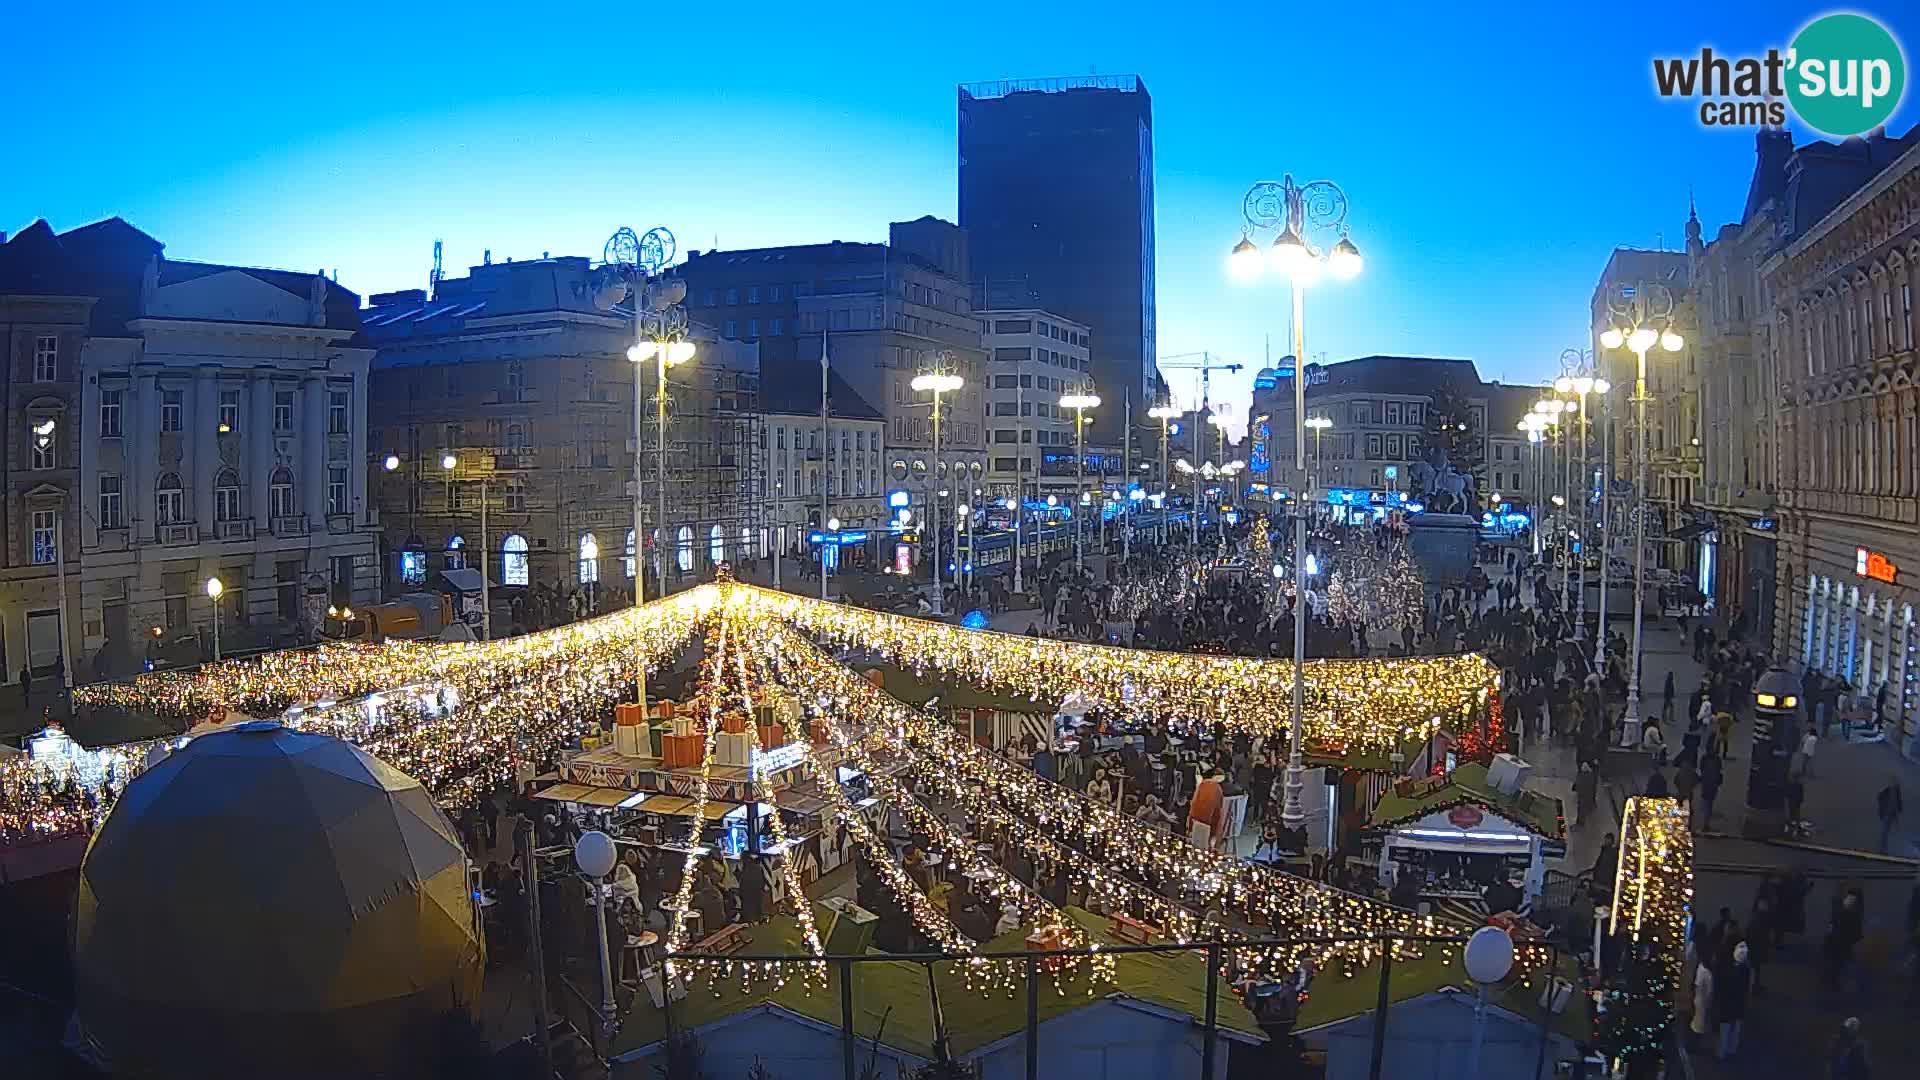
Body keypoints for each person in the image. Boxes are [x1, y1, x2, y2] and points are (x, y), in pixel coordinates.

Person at [1715, 941, 1752, 1059]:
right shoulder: (1746, 970)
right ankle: (1732, 1050)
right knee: (1735, 1029)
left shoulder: (1729, 970)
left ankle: (1721, 1053)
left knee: (1724, 1030)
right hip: (1739, 1004)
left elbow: (1723, 988)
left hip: (1727, 1005)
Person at [1876, 778, 1903, 854]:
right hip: (1887, 813)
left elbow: (1898, 801)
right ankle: (1882, 849)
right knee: (1885, 832)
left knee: (1889, 831)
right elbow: (1879, 795)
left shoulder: (1896, 791)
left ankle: (1886, 849)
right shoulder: (1887, 789)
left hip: (1892, 814)